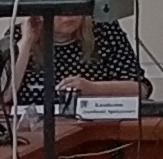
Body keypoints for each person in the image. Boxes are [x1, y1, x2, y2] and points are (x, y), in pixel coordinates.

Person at [11, 9, 145, 111]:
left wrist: (93, 88)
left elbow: (140, 89)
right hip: (33, 128)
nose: (68, 17)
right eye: (59, 10)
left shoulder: (104, 30)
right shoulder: (20, 34)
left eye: (75, 7)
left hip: (94, 125)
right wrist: (26, 42)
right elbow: (4, 96)